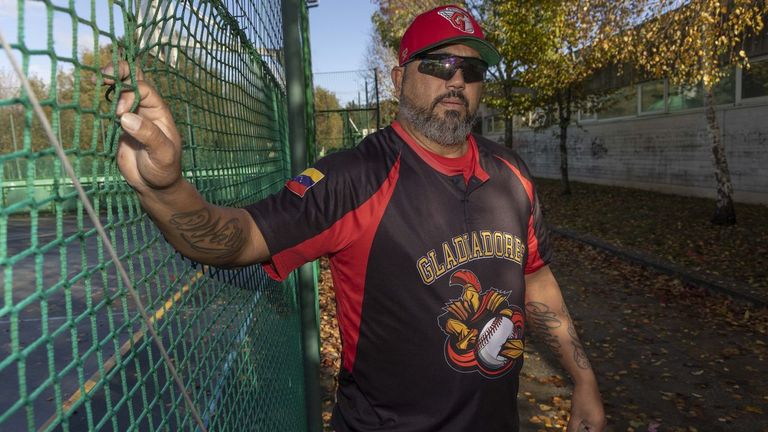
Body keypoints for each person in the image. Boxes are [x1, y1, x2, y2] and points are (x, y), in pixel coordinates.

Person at [106, 4, 606, 432]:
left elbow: (535, 278)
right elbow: (232, 240)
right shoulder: (354, 177)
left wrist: (583, 380)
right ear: (398, 79)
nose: (456, 80)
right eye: (438, 63)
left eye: (471, 70)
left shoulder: (512, 174)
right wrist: (165, 188)